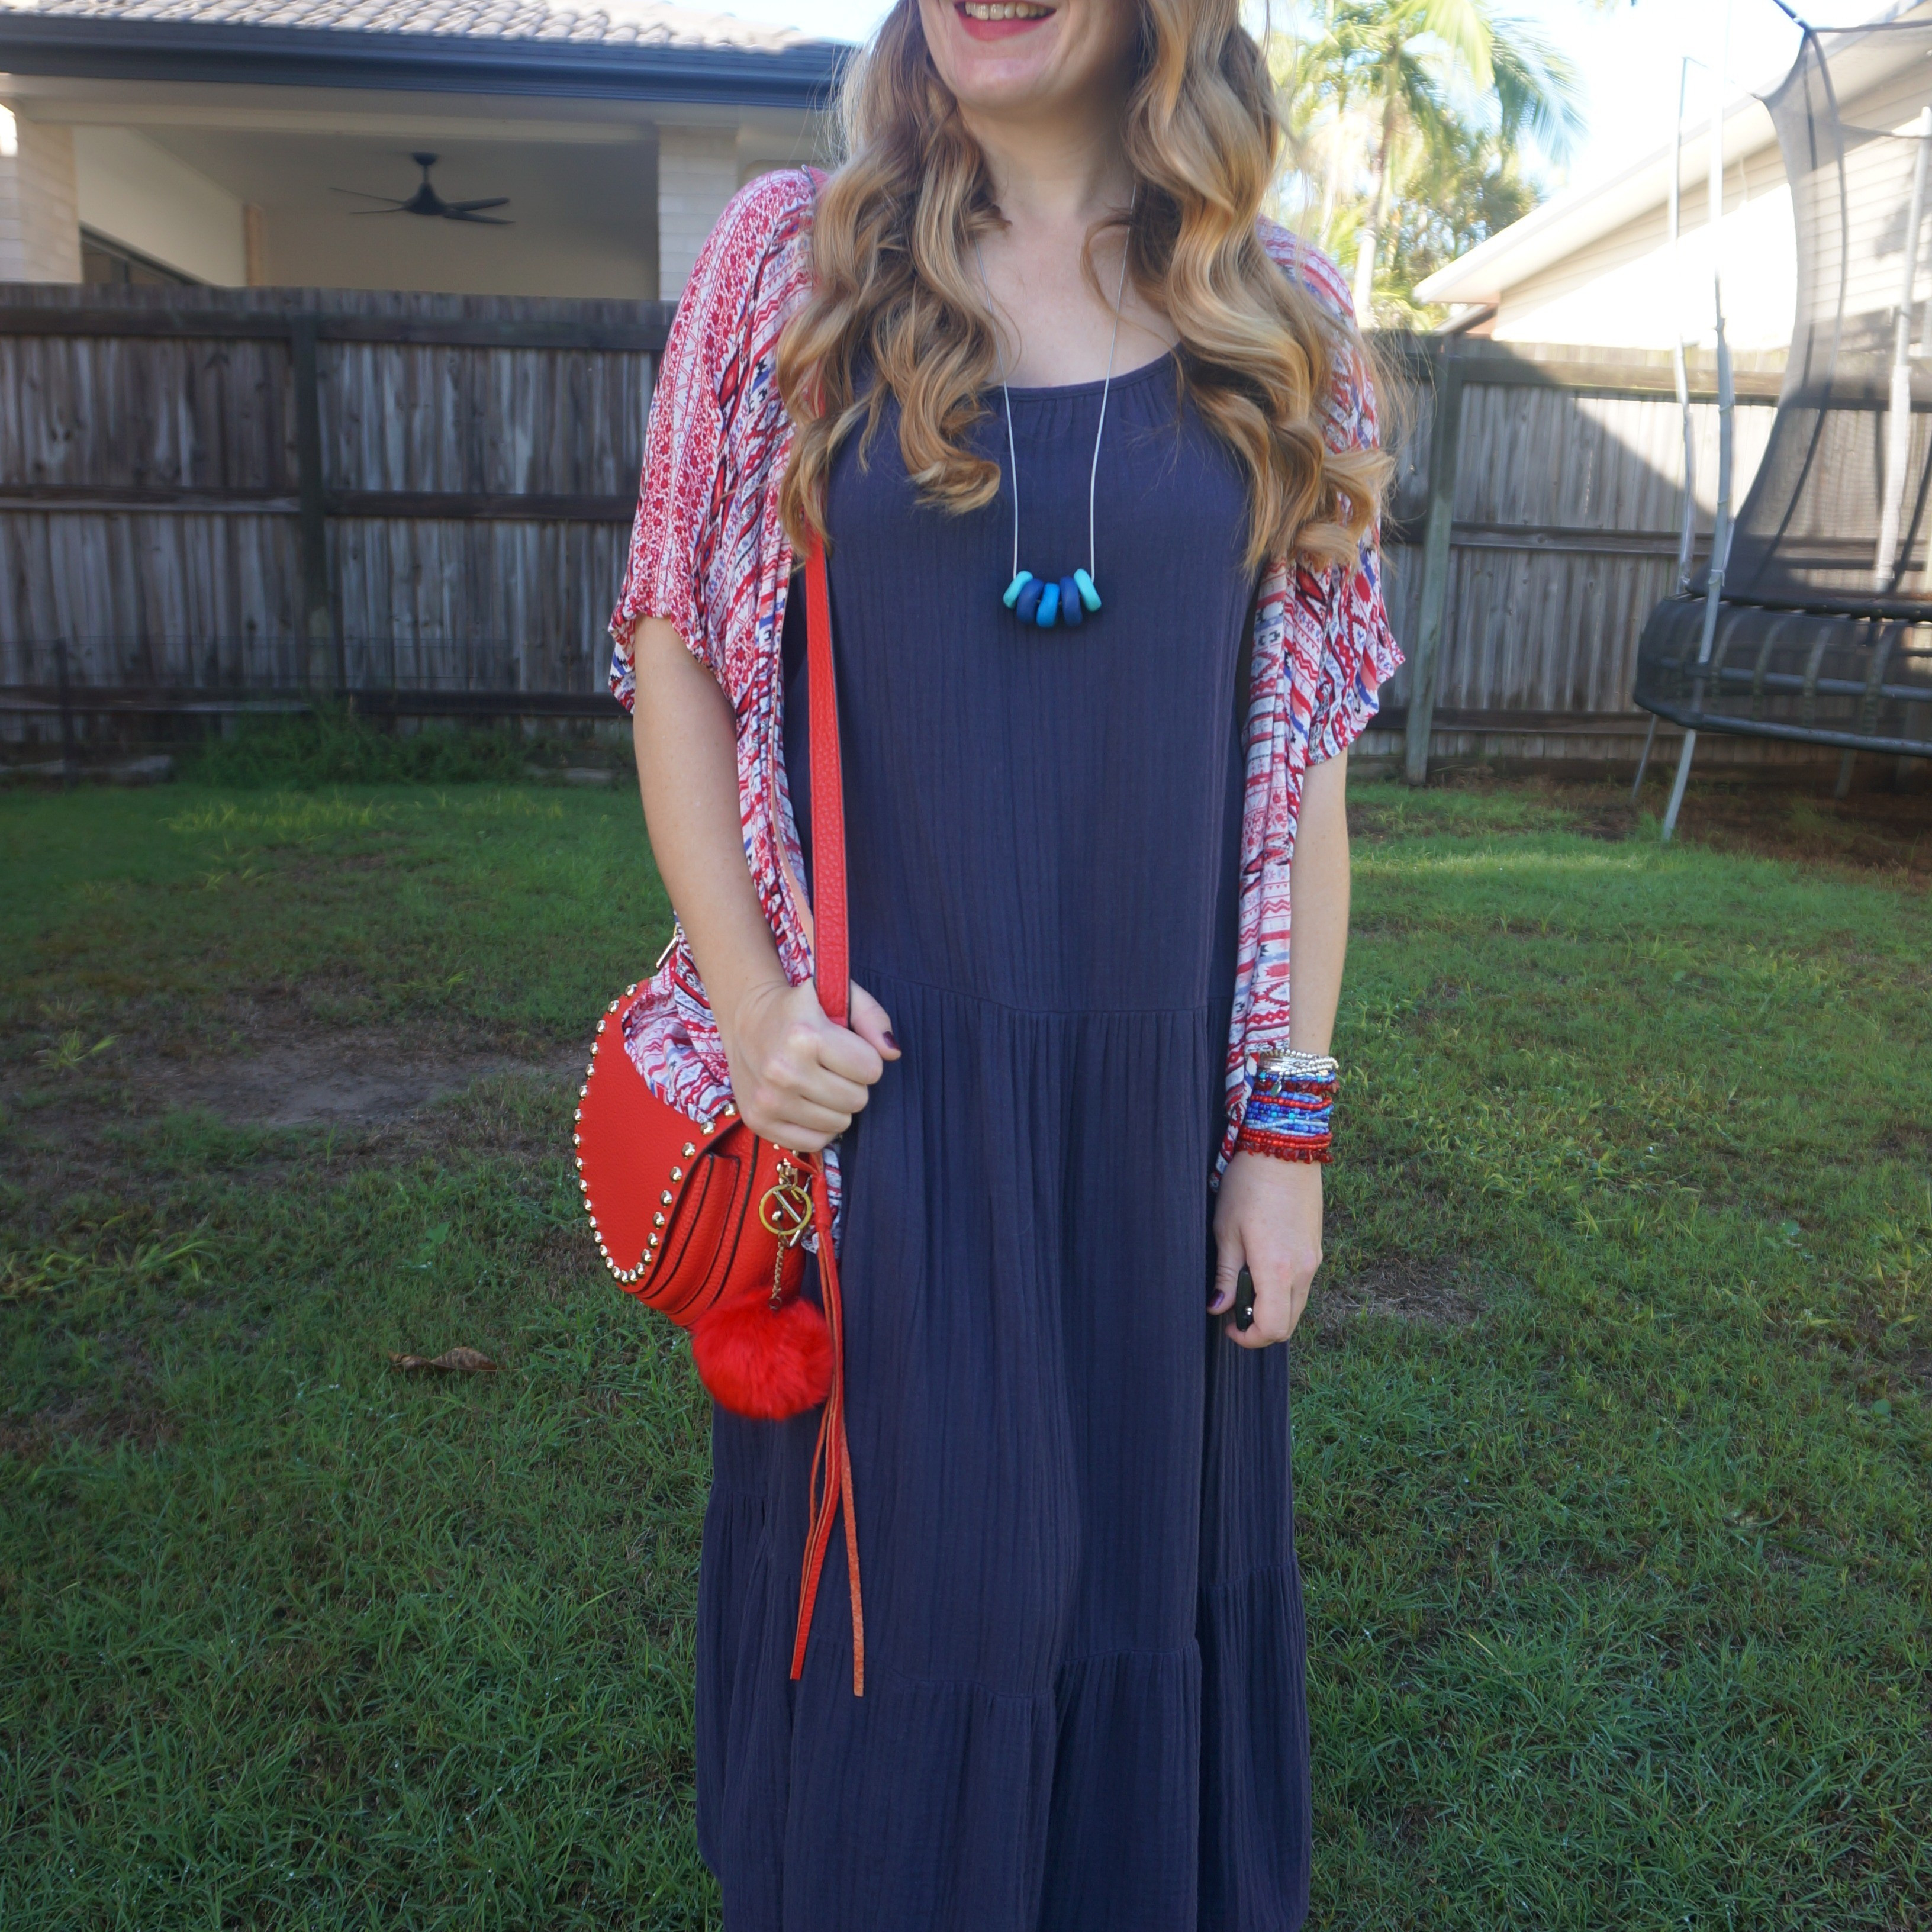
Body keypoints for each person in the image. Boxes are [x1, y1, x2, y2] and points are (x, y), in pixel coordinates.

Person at [610, 0, 1399, 1923]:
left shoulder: (1287, 319)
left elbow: (1297, 764)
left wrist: (1282, 1134)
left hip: (1157, 1135)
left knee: (1140, 1596)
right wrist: (752, 1009)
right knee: (921, 1627)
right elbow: (676, 652)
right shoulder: (792, 265)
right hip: (893, 1119)